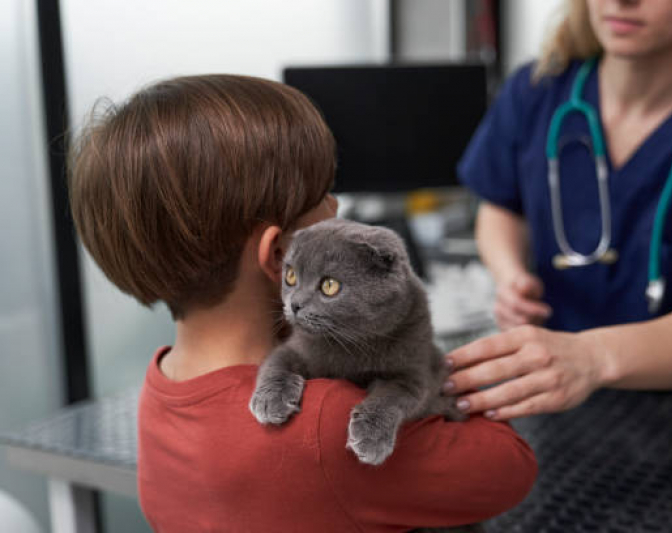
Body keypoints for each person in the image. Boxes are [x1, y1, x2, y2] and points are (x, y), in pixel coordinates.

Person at [68, 75, 537, 532]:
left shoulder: (160, 387)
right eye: (322, 195)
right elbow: (510, 468)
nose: (335, 208)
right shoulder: (328, 425)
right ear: (278, 255)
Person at [446, 0, 672, 420]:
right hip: (569, 404)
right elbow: (501, 206)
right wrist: (511, 278)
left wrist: (592, 356)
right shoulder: (538, 89)